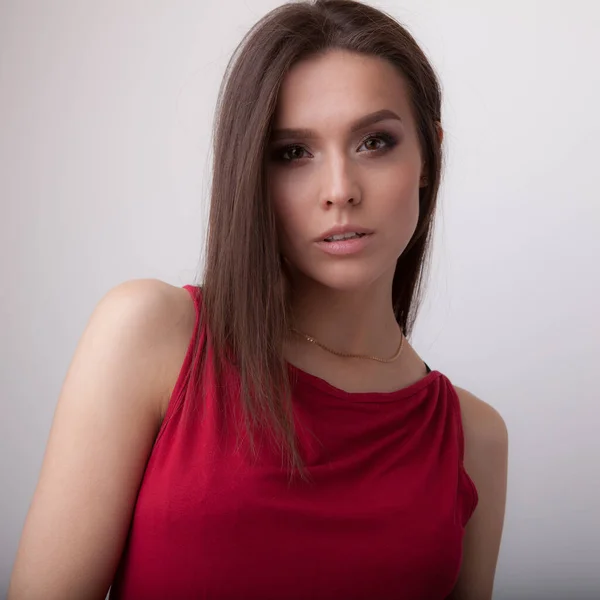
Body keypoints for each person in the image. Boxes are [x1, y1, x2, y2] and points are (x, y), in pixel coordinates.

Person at [8, 1, 508, 598]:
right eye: (293, 152)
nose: (340, 191)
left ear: (429, 157)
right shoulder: (153, 336)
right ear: (251, 171)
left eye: (375, 142)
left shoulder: (473, 437)